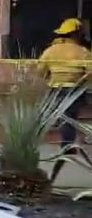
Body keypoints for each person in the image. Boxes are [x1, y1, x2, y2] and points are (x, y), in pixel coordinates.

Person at [38, 17, 91, 152]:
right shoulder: (82, 51)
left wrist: (51, 77)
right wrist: (82, 82)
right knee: (69, 118)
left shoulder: (50, 51)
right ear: (75, 34)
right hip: (74, 90)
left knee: (61, 116)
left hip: (55, 89)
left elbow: (40, 71)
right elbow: (90, 72)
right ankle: (67, 147)